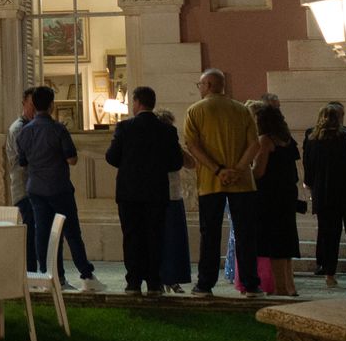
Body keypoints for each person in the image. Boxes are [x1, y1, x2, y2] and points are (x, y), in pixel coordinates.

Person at [16, 85, 105, 292]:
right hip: (58, 187)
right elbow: (72, 159)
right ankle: (86, 275)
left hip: (35, 188)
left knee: (42, 233)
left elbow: (22, 162)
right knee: (71, 232)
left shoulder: (24, 132)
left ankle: (50, 275)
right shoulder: (58, 129)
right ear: (51, 105)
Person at [183, 68, 261, 295]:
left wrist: (218, 170)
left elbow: (192, 145)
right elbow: (254, 145)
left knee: (210, 234)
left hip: (210, 182)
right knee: (246, 234)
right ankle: (250, 283)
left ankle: (205, 283)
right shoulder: (242, 110)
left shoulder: (195, 110)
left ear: (208, 85)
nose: (200, 89)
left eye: (200, 85)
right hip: (243, 183)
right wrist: (238, 170)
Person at [104, 85, 184, 294]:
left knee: (132, 237)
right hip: (156, 192)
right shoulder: (167, 130)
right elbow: (176, 162)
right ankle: (154, 282)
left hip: (129, 192)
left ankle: (133, 281)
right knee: (155, 237)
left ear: (137, 102)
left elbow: (111, 157)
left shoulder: (124, 127)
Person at [302, 103, 346, 286]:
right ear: (340, 117)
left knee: (328, 235)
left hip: (324, 193)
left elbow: (308, 167)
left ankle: (329, 274)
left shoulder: (312, 137)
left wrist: (311, 185)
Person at [251, 104, 301, 296]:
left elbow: (259, 171)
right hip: (287, 195)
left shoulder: (265, 140)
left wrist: (242, 171)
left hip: (270, 197)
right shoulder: (287, 140)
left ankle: (280, 288)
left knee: (274, 243)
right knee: (286, 241)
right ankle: (290, 285)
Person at [156, 107, 193, 292]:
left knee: (169, 239)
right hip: (168, 194)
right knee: (170, 239)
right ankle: (168, 277)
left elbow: (190, 163)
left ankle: (169, 278)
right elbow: (190, 163)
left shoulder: (171, 145)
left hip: (170, 193)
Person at [6, 88, 39, 273]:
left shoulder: (32, 126)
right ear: (24, 104)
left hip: (32, 188)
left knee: (35, 231)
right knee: (30, 231)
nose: (34, 109)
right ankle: (30, 273)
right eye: (31, 105)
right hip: (24, 189)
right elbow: (24, 159)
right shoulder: (19, 128)